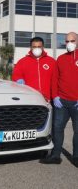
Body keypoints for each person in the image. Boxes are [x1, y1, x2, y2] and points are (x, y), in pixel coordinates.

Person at [41, 32, 78, 167]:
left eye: (72, 41)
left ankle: (76, 157)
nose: (69, 43)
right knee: (57, 128)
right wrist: (55, 96)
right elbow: (54, 79)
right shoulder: (61, 59)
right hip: (61, 102)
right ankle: (56, 155)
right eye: (67, 41)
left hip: (76, 103)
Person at [12, 37, 56, 101]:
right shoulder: (22, 62)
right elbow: (15, 75)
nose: (37, 48)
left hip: (48, 99)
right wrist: (18, 79)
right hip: (29, 99)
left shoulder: (52, 61)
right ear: (31, 47)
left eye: (39, 46)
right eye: (34, 47)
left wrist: (55, 96)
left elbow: (56, 79)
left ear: (43, 47)